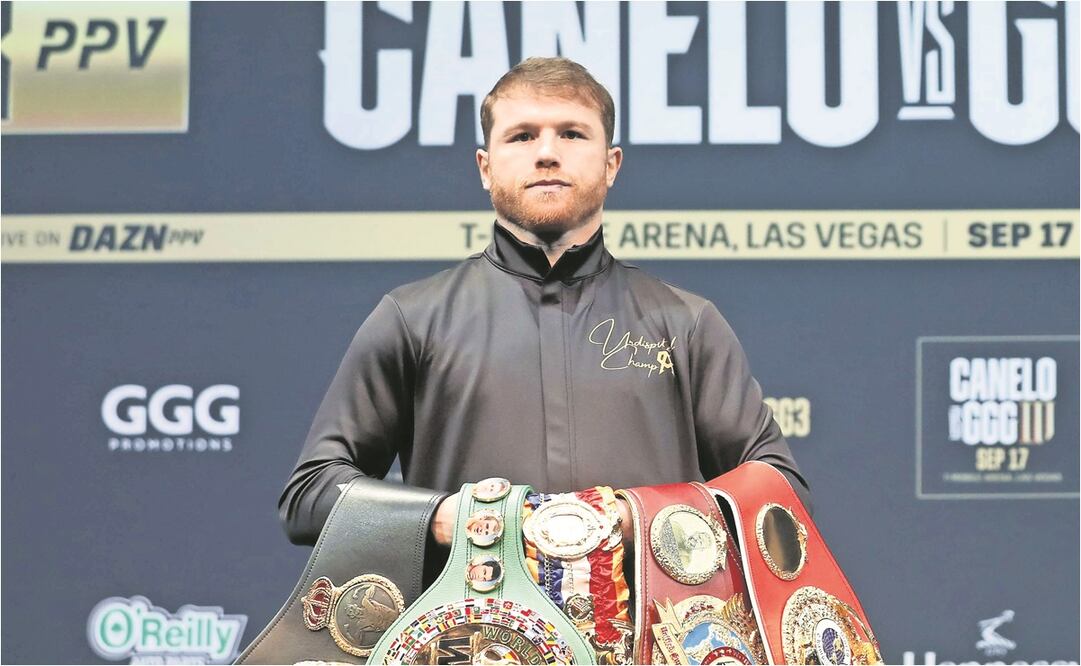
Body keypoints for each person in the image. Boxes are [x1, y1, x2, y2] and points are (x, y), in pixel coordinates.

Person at [279, 57, 809, 552]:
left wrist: (640, 518)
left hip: (646, 641)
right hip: (471, 643)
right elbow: (310, 495)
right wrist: (442, 517)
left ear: (611, 164)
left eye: (572, 133)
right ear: (485, 167)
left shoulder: (686, 323)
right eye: (523, 135)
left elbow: (778, 491)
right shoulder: (412, 318)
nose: (547, 151)